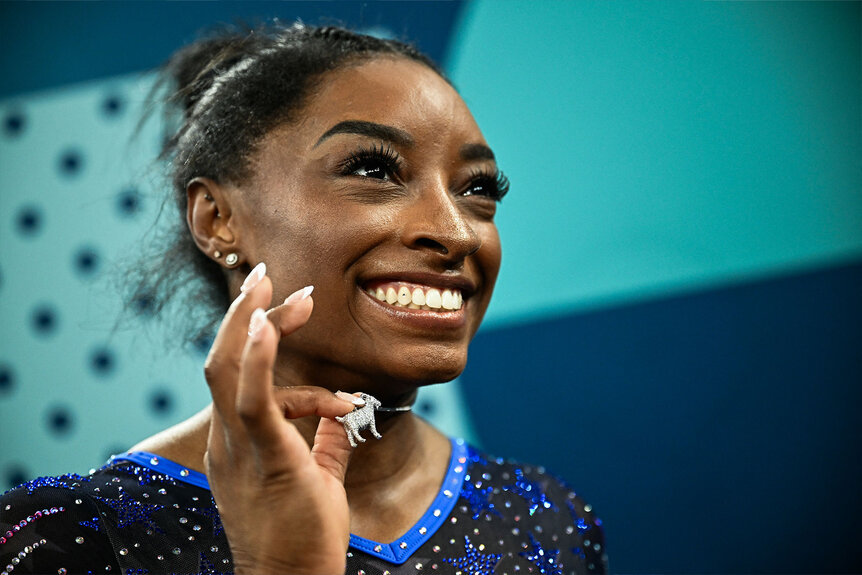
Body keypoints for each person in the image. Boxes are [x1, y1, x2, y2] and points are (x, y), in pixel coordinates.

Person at [0, 23, 607, 575]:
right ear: (218, 220)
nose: (453, 232)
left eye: (477, 189)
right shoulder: (69, 539)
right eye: (374, 170)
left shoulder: (549, 523)